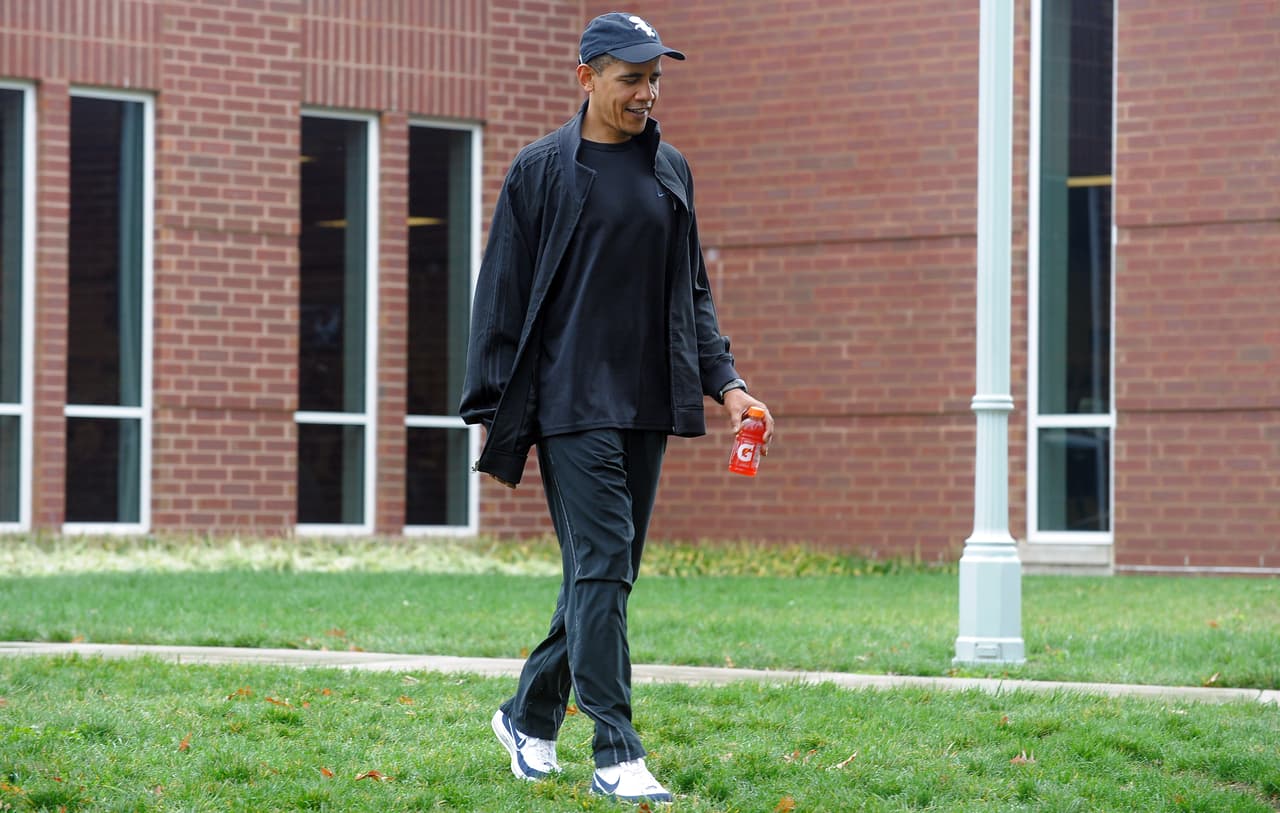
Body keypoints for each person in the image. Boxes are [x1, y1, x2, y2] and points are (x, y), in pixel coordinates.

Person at [459, 11, 774, 805]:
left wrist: (729, 385)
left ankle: (527, 716)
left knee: (607, 574)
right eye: (631, 78)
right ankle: (615, 748)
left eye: (654, 77)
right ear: (588, 77)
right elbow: (499, 289)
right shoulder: (539, 171)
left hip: (646, 400)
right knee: (602, 567)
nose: (646, 91)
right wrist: (491, 404)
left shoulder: (672, 171)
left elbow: (692, 294)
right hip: (568, 400)